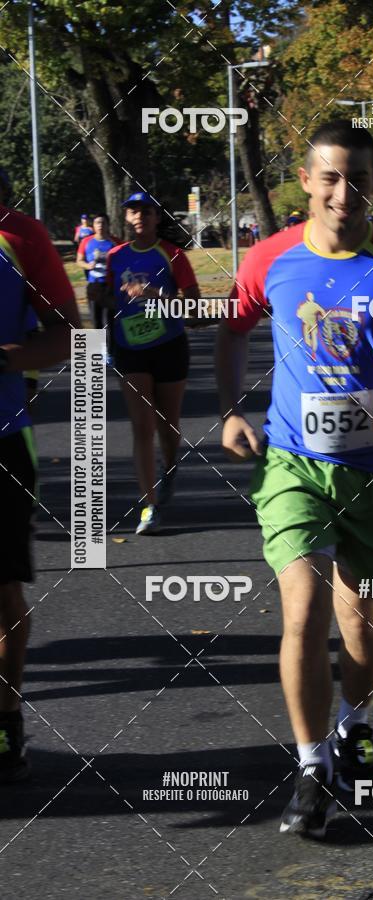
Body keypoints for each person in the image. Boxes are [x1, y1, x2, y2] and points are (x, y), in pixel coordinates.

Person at [216, 120, 373, 839]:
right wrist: (233, 410)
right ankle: (310, 764)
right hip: (295, 464)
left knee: (364, 626)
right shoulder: (271, 257)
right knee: (303, 611)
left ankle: (356, 719)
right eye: (330, 177)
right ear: (307, 180)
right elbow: (232, 330)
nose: (343, 192)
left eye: (357, 178)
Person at [0, 203, 80, 781]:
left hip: (1, 438)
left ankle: (5, 722)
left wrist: (6, 359)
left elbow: (65, 336)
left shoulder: (19, 234)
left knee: (0, 596)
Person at [106, 192, 200, 534]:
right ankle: (149, 505)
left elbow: (193, 306)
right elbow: (105, 300)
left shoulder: (172, 254)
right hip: (130, 348)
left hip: (169, 346)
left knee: (167, 424)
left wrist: (157, 297)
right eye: (133, 211)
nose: (139, 216)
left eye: (146, 210)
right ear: (127, 218)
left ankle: (170, 466)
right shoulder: (115, 256)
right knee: (141, 426)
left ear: (157, 217)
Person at [77, 214, 116, 364]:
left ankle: (110, 353)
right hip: (93, 286)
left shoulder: (113, 242)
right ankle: (97, 352)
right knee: (96, 319)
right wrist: (89, 265)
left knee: (109, 320)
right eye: (97, 222)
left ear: (107, 225)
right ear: (93, 226)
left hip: (109, 286)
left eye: (103, 222)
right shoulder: (86, 242)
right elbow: (79, 261)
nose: (100, 225)